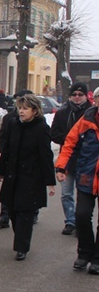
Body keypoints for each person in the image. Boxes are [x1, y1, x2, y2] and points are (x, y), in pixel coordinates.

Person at [0, 94, 56, 261]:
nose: (21, 112)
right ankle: (20, 239)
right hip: (13, 174)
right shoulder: (14, 125)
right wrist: (0, 170)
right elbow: (7, 150)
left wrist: (50, 182)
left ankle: (22, 247)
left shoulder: (41, 128)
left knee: (25, 213)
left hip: (31, 177)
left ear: (35, 111)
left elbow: (46, 155)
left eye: (25, 109)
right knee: (13, 211)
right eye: (20, 108)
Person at [55, 101, 99, 274]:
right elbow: (70, 144)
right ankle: (84, 253)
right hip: (87, 176)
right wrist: (61, 167)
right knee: (81, 215)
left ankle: (97, 259)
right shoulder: (85, 120)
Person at [50, 82, 91, 236]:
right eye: (74, 94)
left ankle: (81, 222)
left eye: (80, 95)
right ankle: (70, 221)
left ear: (86, 96)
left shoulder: (91, 113)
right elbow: (54, 134)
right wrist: (70, 139)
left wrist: (82, 141)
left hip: (86, 160)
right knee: (66, 193)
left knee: (83, 193)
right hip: (67, 158)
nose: (77, 97)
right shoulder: (62, 113)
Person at [0, 89, 33, 229]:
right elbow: (2, 137)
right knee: (7, 188)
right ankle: (4, 215)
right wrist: (5, 153)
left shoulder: (37, 121)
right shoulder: (9, 118)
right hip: (10, 159)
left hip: (28, 163)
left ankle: (32, 211)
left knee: (26, 190)